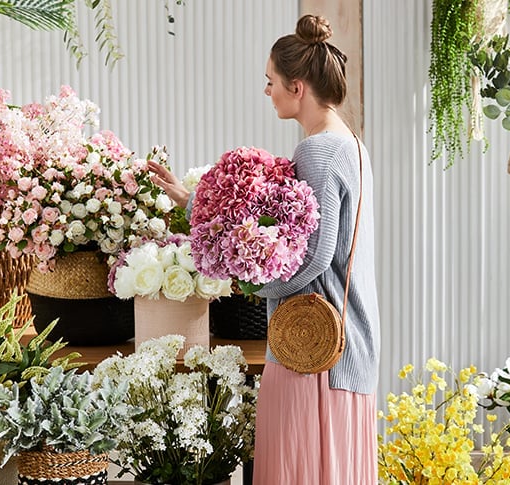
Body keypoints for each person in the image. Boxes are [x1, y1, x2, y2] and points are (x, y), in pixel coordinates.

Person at [149, 14, 380, 485]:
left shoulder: (317, 152)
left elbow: (315, 253)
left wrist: (252, 284)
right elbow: (285, 228)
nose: (266, 90)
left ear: (297, 87)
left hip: (313, 350)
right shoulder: (350, 144)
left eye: (269, 81)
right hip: (347, 343)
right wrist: (195, 202)